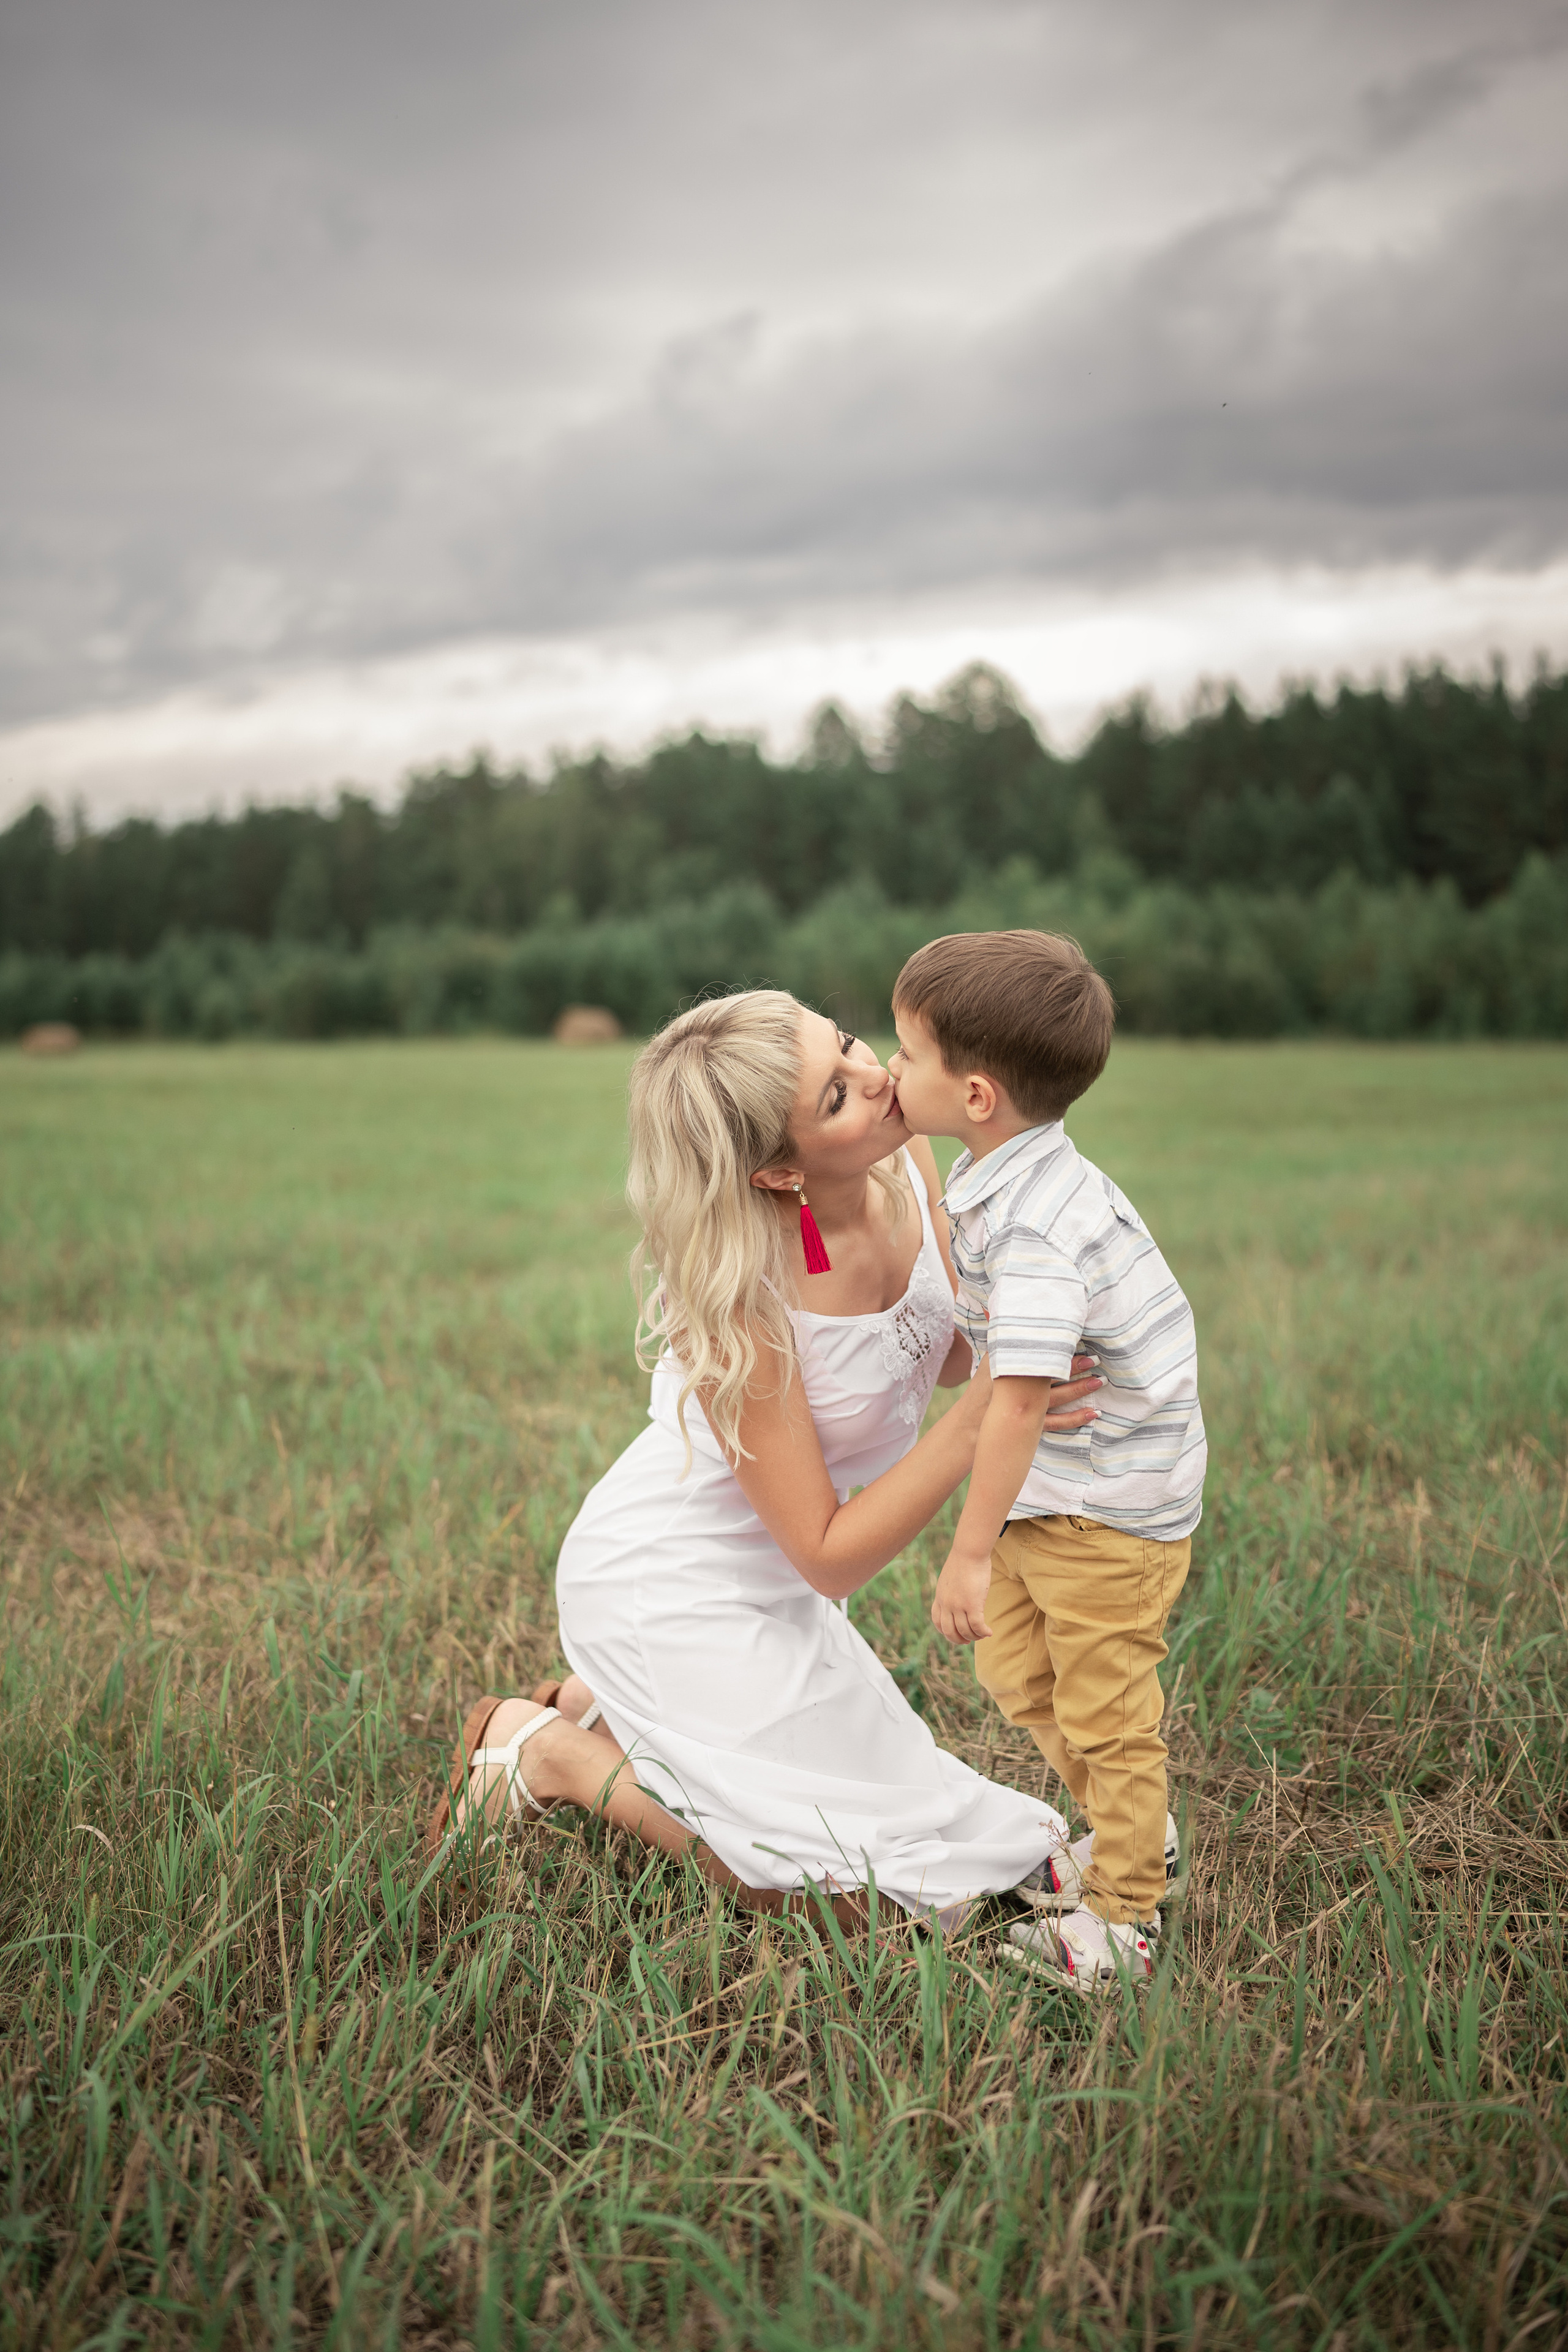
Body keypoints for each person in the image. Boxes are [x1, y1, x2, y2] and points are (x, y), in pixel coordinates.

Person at [425, 988, 1104, 1929]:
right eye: (837, 1097)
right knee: (843, 1898)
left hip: (776, 1586)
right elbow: (831, 1553)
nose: (879, 1079)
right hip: (670, 1581)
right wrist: (992, 1410)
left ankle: (607, 1711)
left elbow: (950, 1354)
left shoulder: (906, 1153)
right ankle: (554, 1753)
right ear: (779, 1172)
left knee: (936, 1844)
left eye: (853, 1047)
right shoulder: (747, 1306)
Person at [887, 930, 1205, 1994]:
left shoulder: (1036, 1225)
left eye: (906, 1054)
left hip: (1107, 1506)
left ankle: (1124, 1915)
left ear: (974, 1095)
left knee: (1109, 1710)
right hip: (1064, 1491)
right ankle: (1136, 1834)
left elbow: (1016, 1402)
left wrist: (967, 1553)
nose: (891, 1072)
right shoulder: (1004, 1176)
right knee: (1018, 1671)